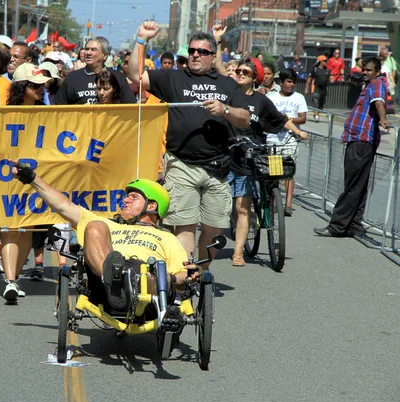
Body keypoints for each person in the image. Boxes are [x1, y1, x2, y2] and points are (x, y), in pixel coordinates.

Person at [126, 21, 250, 265]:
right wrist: (141, 39)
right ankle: (185, 280)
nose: (195, 55)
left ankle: (200, 274)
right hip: (182, 164)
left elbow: (244, 119)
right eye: (192, 51)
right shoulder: (174, 78)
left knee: (215, 229)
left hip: (218, 168)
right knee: (184, 226)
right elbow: (135, 75)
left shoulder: (227, 84)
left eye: (202, 52)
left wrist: (224, 109)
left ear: (213, 57)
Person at [10, 163, 200, 311]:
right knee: (95, 225)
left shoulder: (166, 237)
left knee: (153, 270)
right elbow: (63, 206)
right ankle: (115, 282)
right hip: (105, 282)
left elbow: (181, 274)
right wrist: (32, 178)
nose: (125, 200)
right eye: (127, 197)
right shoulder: (107, 225)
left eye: (134, 197)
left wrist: (188, 275)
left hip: (148, 286)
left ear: (151, 206)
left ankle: (128, 282)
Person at [228, 59, 307, 266]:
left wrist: (297, 131)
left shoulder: (261, 101)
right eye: (238, 71)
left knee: (242, 208)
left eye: (246, 71)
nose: (241, 74)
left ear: (255, 78)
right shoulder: (228, 94)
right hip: (227, 155)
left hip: (250, 156)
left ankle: (238, 253)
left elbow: (281, 120)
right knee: (226, 208)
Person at [314, 57, 391, 238]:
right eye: (364, 69)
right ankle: (355, 225)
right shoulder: (369, 85)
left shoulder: (377, 84)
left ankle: (337, 226)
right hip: (358, 140)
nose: (365, 72)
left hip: (361, 141)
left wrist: (383, 119)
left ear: (378, 72)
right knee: (358, 185)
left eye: (369, 70)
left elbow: (379, 102)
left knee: (352, 186)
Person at [2, 63, 51, 301]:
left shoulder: (48, 111)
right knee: (12, 228)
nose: (41, 90)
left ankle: (16, 277)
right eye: (35, 86)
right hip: (9, 177)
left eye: (42, 86)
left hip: (36, 178)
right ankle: (10, 281)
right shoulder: (5, 113)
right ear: (23, 87)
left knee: (29, 228)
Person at [265, 69, 308, 216]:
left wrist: (287, 119)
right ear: (281, 82)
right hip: (273, 139)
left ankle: (288, 203)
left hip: (291, 139)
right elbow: (267, 117)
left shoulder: (299, 97)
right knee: (276, 172)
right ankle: (276, 201)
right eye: (289, 82)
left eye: (293, 82)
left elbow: (303, 118)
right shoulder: (271, 97)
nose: (291, 85)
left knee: (289, 172)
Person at [54, 36, 136, 105]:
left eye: (93, 50)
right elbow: (58, 107)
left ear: (105, 55)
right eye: (87, 49)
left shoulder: (118, 77)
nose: (88, 53)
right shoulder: (73, 78)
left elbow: (130, 107)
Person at [305, 55, 330, 123]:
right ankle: (316, 116)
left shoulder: (327, 70)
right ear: (321, 62)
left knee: (320, 105)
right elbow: (309, 79)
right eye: (324, 61)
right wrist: (306, 89)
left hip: (323, 90)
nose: (326, 62)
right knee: (316, 102)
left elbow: (330, 79)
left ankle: (316, 114)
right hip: (316, 88)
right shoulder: (315, 69)